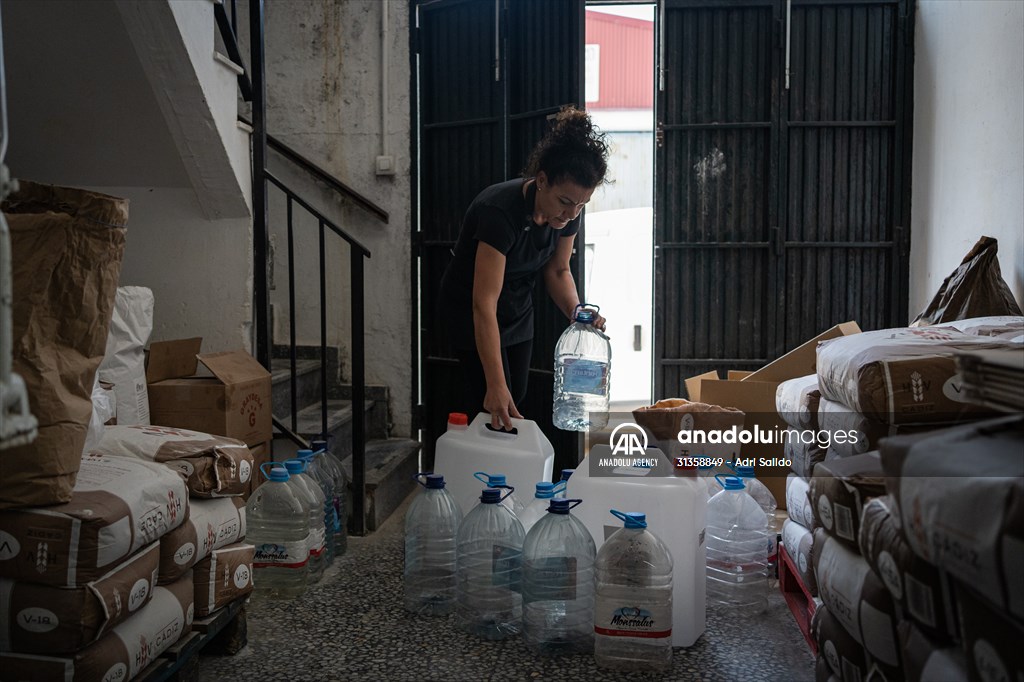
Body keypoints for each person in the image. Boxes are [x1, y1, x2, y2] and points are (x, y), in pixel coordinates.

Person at [438, 106, 610, 431]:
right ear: (542, 180)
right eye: (565, 202)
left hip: (517, 306)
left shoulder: (568, 212)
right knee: (489, 398)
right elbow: (483, 303)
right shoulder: (499, 212)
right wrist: (495, 384)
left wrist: (578, 312)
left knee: (515, 394)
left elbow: (558, 270)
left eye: (581, 205)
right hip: (472, 307)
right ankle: (479, 475)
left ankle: (503, 474)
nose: (572, 214)